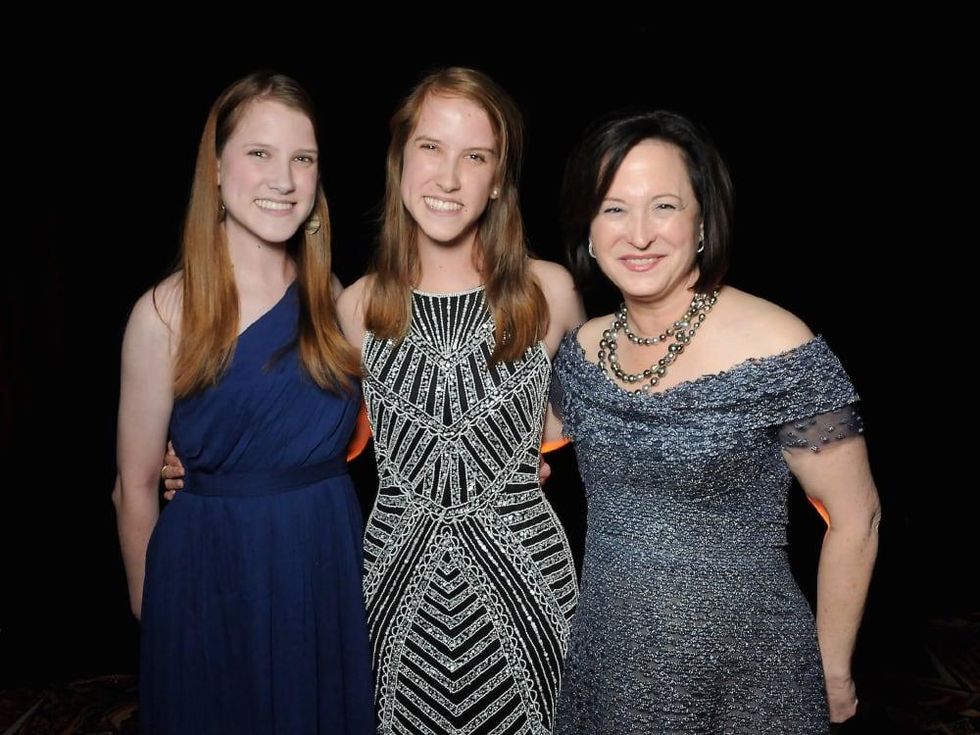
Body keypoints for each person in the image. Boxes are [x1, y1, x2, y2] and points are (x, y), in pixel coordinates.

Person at [549, 110, 881, 734]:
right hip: (608, 667)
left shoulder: (779, 345)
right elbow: (513, 450)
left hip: (750, 677)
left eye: (665, 206)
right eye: (614, 209)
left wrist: (833, 670)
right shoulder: (583, 350)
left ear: (702, 221)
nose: (639, 234)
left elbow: (858, 517)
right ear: (588, 228)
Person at [112, 71, 375, 734]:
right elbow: (136, 484)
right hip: (209, 578)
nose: (282, 179)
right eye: (259, 153)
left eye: (302, 158)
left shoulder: (332, 298)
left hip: (323, 572)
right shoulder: (164, 313)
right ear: (218, 167)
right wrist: (160, 616)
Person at [336, 67, 584, 734]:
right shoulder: (356, 305)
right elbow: (325, 439)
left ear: (500, 178)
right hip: (396, 582)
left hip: (526, 580)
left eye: (475, 156)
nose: (449, 177)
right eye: (430, 148)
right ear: (399, 160)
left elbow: (591, 423)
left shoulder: (548, 293)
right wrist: (195, 464)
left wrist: (520, 455)